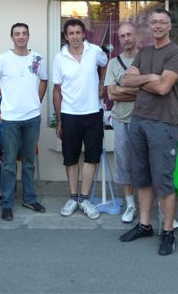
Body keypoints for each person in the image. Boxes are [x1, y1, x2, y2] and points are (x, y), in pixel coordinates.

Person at [118, 8, 178, 256]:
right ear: (149, 26)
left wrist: (144, 80)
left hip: (163, 124)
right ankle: (145, 225)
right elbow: (126, 81)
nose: (157, 26)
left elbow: (163, 88)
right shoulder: (144, 52)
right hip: (139, 121)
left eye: (162, 22)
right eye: (154, 22)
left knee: (163, 180)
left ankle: (167, 232)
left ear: (169, 26)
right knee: (142, 178)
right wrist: (152, 77)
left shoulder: (176, 53)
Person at [0, 23, 48, 221]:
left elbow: (44, 80)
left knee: (29, 162)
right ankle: (7, 204)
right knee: (9, 163)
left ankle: (29, 199)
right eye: (17, 34)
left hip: (32, 119)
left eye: (24, 33)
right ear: (12, 37)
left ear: (29, 36)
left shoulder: (37, 58)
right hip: (10, 120)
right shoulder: (2, 59)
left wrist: (37, 102)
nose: (21, 37)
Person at [53, 18, 108, 220]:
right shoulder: (59, 58)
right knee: (71, 158)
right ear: (66, 36)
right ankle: (73, 197)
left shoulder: (95, 51)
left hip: (93, 113)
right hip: (70, 114)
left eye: (78, 32)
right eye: (71, 33)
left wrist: (102, 83)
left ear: (83, 34)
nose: (75, 37)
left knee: (92, 157)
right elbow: (56, 90)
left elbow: (105, 64)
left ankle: (84, 199)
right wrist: (59, 120)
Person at [104, 22, 140, 223]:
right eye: (122, 36)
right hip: (121, 120)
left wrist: (122, 90)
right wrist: (138, 90)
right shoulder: (113, 63)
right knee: (124, 163)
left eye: (129, 34)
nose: (126, 39)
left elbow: (153, 90)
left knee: (148, 163)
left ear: (136, 35)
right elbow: (111, 94)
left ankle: (159, 208)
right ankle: (130, 204)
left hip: (144, 119)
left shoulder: (147, 59)